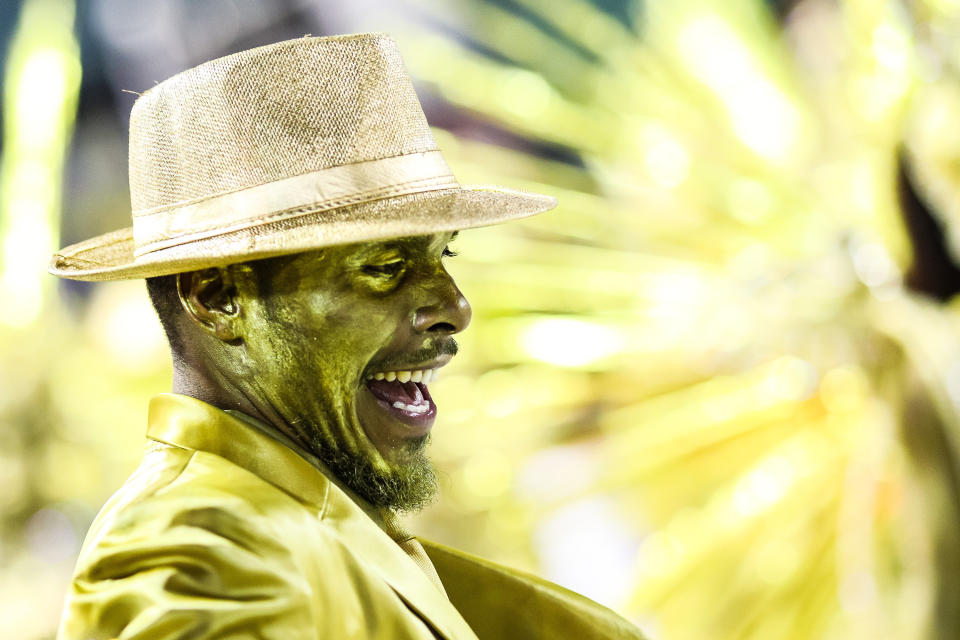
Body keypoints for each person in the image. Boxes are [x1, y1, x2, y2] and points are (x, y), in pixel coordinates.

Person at [50, 33, 645, 639]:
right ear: (217, 297)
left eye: (445, 256)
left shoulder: (311, 518)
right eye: (385, 268)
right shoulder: (193, 546)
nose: (455, 307)